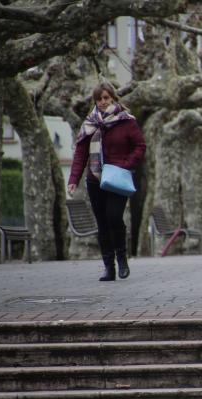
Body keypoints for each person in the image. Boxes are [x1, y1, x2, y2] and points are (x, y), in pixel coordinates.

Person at [68, 82, 146, 282]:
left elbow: (140, 146)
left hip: (118, 179)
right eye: (99, 99)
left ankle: (122, 258)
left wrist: (126, 164)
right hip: (95, 179)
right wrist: (73, 179)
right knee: (102, 223)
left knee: (114, 217)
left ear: (113, 98)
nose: (103, 102)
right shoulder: (90, 123)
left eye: (106, 98)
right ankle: (108, 267)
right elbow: (80, 153)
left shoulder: (126, 121)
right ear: (95, 101)